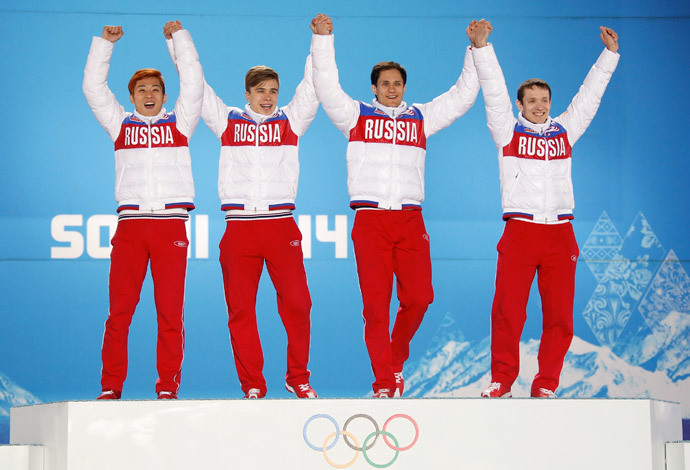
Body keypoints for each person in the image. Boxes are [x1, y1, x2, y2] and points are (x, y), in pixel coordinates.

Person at [311, 14, 480, 398]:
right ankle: (385, 382)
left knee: (420, 298)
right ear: (374, 87)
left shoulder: (421, 117)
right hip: (370, 220)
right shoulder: (355, 115)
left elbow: (462, 97)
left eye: (397, 84)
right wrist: (324, 40)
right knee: (375, 307)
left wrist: (476, 50)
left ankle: (395, 357)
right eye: (385, 84)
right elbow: (326, 86)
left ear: (405, 87)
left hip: (410, 219)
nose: (392, 89)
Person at [467, 20, 620, 398]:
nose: (539, 106)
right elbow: (494, 94)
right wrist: (483, 48)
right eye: (532, 101)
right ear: (521, 105)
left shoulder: (565, 131)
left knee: (559, 317)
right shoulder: (507, 131)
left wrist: (609, 57)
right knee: (507, 312)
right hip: (520, 231)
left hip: (560, 234)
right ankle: (501, 381)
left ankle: (546, 385)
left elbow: (589, 97)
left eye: (544, 100)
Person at [168, 21, 319, 399]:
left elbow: (315, 83)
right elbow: (195, 86)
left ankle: (298, 376)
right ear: (247, 93)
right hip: (239, 229)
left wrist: (320, 38)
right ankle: (253, 384)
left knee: (299, 305)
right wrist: (179, 42)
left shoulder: (291, 120)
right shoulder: (227, 121)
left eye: (273, 91)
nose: (267, 97)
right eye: (260, 91)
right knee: (240, 311)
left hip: (281, 225)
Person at [83, 21, 204, 400]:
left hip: (171, 226)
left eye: (155, 89)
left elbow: (195, 82)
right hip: (132, 227)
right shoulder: (119, 124)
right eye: (141, 90)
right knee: (119, 314)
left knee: (170, 314)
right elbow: (92, 89)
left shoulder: (181, 123)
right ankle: (110, 387)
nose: (148, 94)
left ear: (165, 96)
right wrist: (104, 45)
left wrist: (179, 40)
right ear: (131, 97)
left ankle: (167, 386)